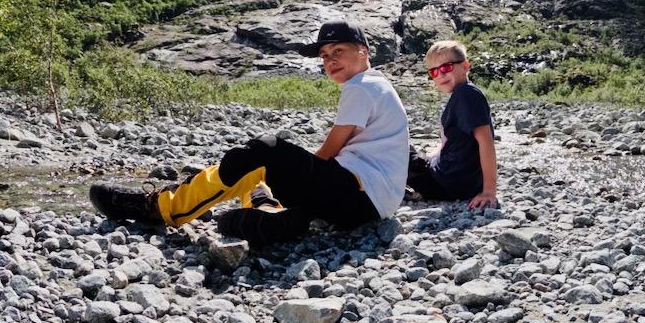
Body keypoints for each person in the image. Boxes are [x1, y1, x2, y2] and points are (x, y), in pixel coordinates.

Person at [89, 20, 410, 246]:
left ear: (363, 51)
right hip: (367, 201)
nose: (329, 61)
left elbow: (328, 152)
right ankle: (271, 212)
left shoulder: (361, 87)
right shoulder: (377, 85)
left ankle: (162, 207)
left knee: (264, 150)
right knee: (267, 167)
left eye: (337, 51)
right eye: (325, 56)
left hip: (358, 195)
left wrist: (294, 171)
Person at [407, 40, 498, 210]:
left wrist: (489, 191)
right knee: (415, 155)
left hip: (446, 183)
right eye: (434, 72)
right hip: (453, 181)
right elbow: (449, 143)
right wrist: (430, 156)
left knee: (395, 147)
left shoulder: (466, 95)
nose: (440, 74)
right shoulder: (463, 95)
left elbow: (486, 141)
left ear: (465, 66)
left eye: (446, 67)